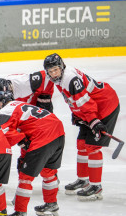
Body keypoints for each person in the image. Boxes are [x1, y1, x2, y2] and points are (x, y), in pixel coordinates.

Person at [43, 53, 120, 201]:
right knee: (81, 144)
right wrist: (77, 114)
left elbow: (85, 102)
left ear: (62, 67)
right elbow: (74, 99)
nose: (53, 74)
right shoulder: (59, 79)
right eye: (51, 71)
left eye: (56, 70)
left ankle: (96, 186)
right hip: (92, 109)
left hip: (105, 105)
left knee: (92, 146)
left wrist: (93, 121)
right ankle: (83, 179)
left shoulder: (70, 78)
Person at [0, 90, 65, 216]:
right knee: (48, 172)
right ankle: (51, 205)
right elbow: (27, 129)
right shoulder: (21, 105)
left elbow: (4, 135)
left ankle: (20, 213)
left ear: (1, 102)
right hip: (58, 132)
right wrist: (24, 148)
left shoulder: (6, 110)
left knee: (25, 177)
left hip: (43, 137)